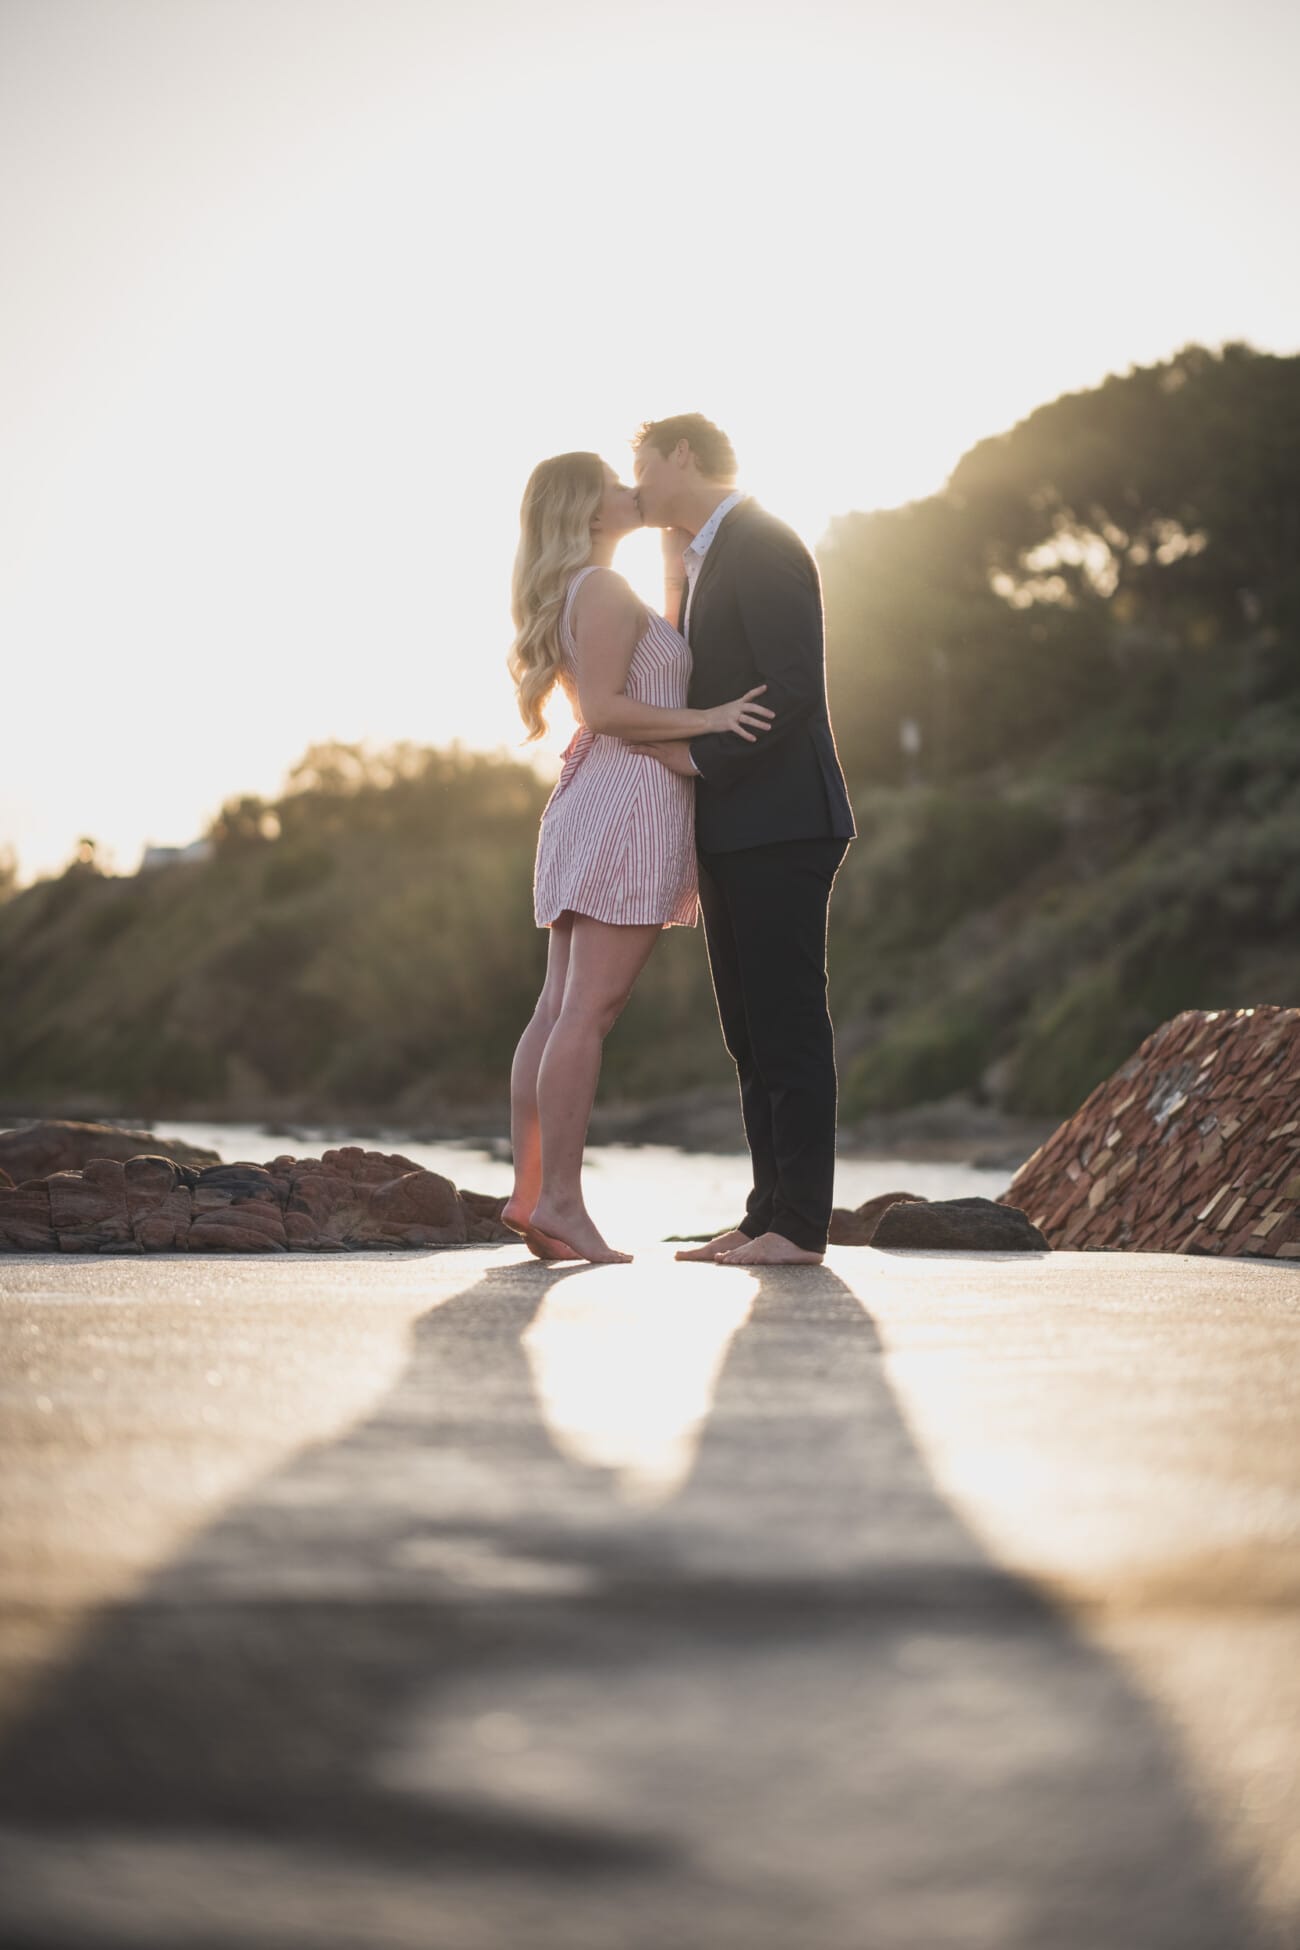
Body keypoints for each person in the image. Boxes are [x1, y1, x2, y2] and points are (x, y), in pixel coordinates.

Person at [502, 451, 775, 1264]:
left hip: (597, 795)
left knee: (558, 1008)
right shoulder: (603, 589)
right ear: (590, 512)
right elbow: (614, 711)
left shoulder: (585, 589)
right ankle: (559, 1204)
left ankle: (530, 1194)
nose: (634, 492)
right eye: (618, 489)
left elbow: (608, 701)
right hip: (627, 801)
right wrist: (714, 718)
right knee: (589, 1011)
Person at [629, 414, 856, 1266]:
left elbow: (792, 685)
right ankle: (767, 1214)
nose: (637, 481)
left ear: (682, 454)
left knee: (788, 1026)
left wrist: (694, 757)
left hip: (783, 821)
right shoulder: (702, 553)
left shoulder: (761, 540)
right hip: (734, 827)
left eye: (641, 463)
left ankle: (801, 1227)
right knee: (748, 1034)